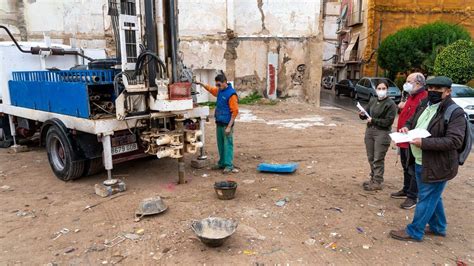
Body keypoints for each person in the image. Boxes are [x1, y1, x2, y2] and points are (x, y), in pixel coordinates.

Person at [390, 76, 467, 242]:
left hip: (438, 165)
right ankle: (438, 227)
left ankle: (415, 231)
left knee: (426, 197)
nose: (432, 92)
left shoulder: (455, 112)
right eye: (430, 88)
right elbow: (412, 120)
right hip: (420, 160)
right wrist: (407, 127)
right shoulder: (425, 103)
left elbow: (454, 141)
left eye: (437, 90)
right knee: (433, 196)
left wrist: (424, 142)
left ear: (448, 91)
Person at [391, 73, 428, 209]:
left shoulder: (423, 99)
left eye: (408, 81)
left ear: (418, 83)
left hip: (412, 140)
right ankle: (406, 190)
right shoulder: (410, 96)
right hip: (403, 138)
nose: (405, 84)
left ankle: (412, 196)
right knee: (405, 167)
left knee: (413, 169)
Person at [196, 74, 239, 174]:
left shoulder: (231, 94)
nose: (217, 87)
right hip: (219, 122)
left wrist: (229, 127)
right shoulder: (220, 90)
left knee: (227, 144)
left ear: (225, 82)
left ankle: (229, 165)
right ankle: (222, 163)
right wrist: (201, 83)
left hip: (226, 124)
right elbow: (211, 89)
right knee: (221, 144)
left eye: (219, 85)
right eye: (217, 85)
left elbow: (235, 111)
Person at [359, 80, 398, 191]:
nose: (381, 91)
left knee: (378, 158)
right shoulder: (373, 100)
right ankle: (373, 178)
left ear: (387, 90)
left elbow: (388, 122)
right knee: (371, 157)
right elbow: (366, 114)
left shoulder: (390, 104)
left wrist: (373, 120)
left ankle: (378, 181)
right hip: (370, 131)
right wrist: (362, 115)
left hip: (382, 133)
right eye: (379, 88)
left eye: (383, 88)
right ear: (375, 90)